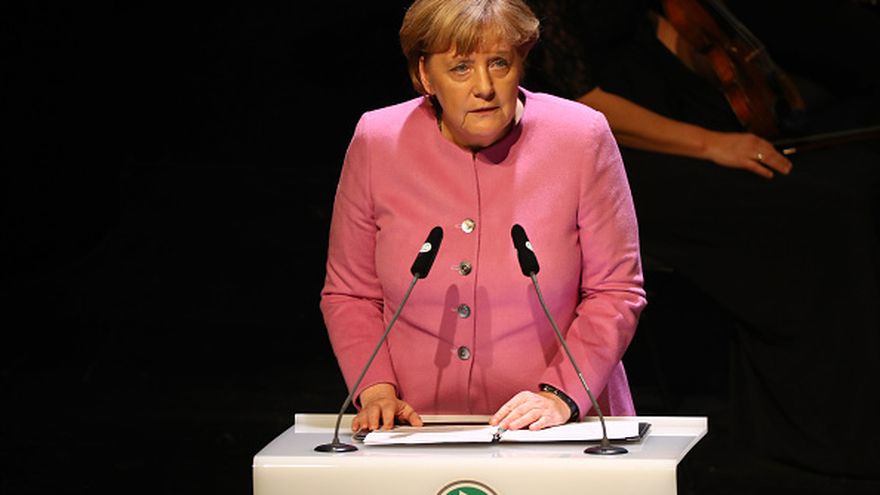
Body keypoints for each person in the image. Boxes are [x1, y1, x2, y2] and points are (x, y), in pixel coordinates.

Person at [524, 0, 880, 483]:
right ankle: (809, 439)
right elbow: (587, 103)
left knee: (844, 184)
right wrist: (712, 143)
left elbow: (655, 29)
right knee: (811, 216)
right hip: (607, 149)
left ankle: (832, 422)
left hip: (667, 106)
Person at [320, 0, 646, 434]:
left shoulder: (581, 137)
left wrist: (562, 395)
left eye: (499, 63)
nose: (485, 87)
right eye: (461, 68)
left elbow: (615, 290)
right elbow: (351, 294)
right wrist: (376, 390)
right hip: (416, 426)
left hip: (560, 426)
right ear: (425, 75)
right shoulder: (377, 141)